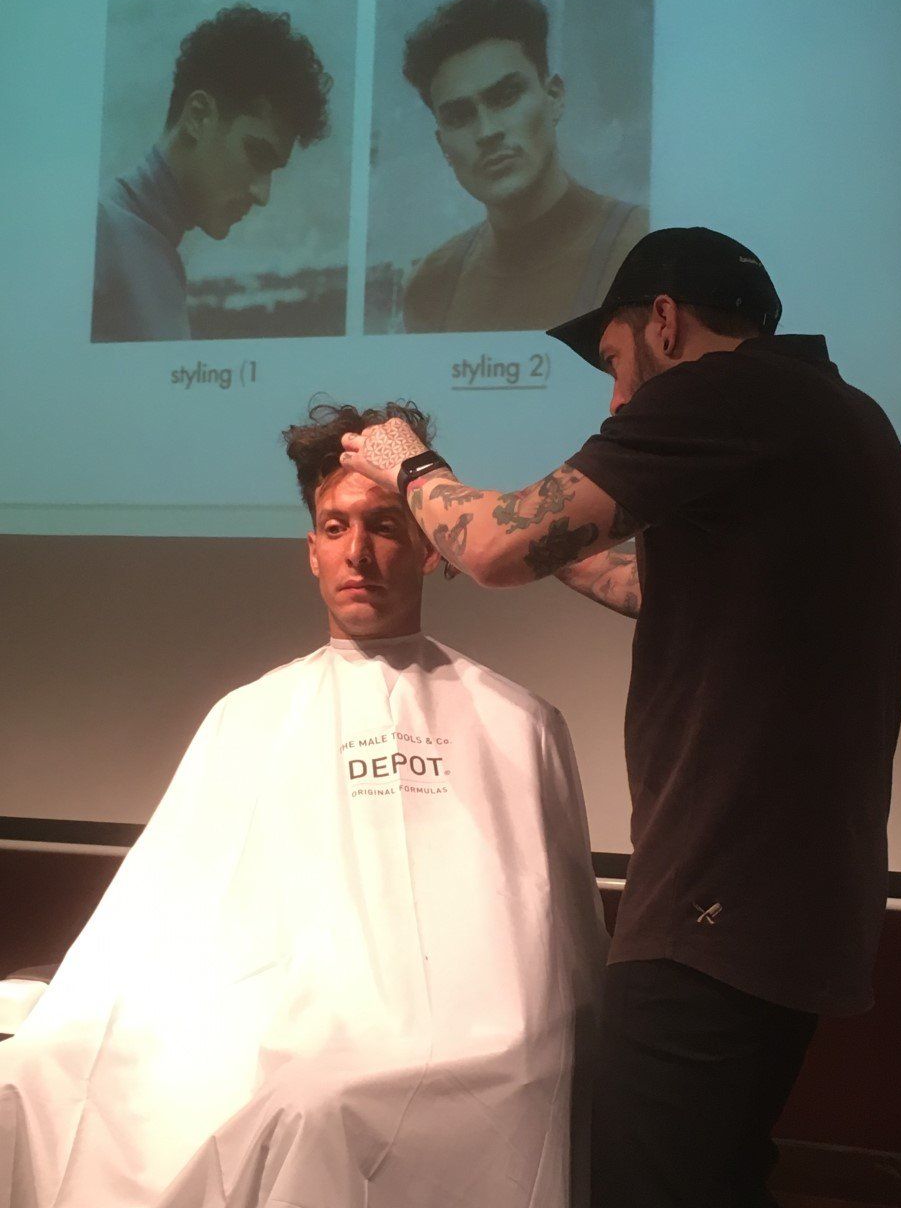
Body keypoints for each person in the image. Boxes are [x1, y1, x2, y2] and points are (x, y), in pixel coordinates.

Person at [340, 228, 901, 1207]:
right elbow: (648, 583)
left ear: (662, 321)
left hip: (720, 903)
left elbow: (494, 547)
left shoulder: (728, 391)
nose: (617, 396)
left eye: (614, 361)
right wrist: (513, 536)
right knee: (716, 1176)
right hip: (794, 903)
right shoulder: (841, 418)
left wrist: (414, 467)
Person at [0, 401, 607, 1208]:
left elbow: (551, 952)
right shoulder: (248, 715)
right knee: (32, 1069)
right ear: (310, 553)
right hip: (250, 1024)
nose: (358, 552)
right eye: (334, 528)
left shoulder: (517, 723)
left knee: (316, 1106)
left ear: (432, 548)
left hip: (454, 1050)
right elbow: (174, 915)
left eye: (386, 525)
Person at [400, 0, 648, 333]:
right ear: (443, 144)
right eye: (459, 116)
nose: (487, 132)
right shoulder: (430, 286)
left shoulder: (642, 249)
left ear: (554, 97)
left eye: (506, 96)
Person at [91, 4, 331, 343]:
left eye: (273, 170)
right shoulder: (95, 236)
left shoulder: (153, 247)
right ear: (199, 116)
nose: (263, 195)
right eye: (257, 154)